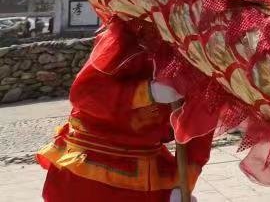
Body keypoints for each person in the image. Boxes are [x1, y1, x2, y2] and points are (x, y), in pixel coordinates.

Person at [39, 19, 212, 202]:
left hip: (146, 170)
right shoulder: (124, 38)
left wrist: (182, 183)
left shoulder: (200, 57)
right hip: (90, 166)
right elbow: (84, 94)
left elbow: (199, 127)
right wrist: (146, 93)